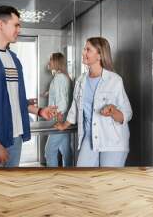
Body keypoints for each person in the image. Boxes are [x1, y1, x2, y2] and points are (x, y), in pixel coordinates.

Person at [0, 6, 57, 167]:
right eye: (16, 25)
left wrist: (40, 111)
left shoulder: (14, 60)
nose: (19, 29)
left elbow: (18, 99)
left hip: (16, 139)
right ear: (1, 25)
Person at [55, 37, 132, 167]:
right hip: (89, 137)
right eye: (84, 49)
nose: (83, 52)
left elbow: (127, 113)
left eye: (88, 50)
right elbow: (75, 107)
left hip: (113, 140)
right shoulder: (80, 81)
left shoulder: (114, 80)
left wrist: (113, 111)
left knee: (107, 182)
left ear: (99, 55)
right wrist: (64, 125)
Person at [44, 53, 73, 167]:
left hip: (60, 118)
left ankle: (53, 179)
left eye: (51, 60)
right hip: (64, 117)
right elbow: (62, 94)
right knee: (65, 150)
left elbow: (63, 102)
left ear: (56, 62)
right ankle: (68, 176)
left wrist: (59, 114)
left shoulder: (59, 78)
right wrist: (48, 93)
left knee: (49, 151)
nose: (49, 62)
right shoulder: (62, 77)